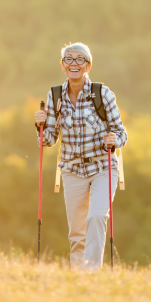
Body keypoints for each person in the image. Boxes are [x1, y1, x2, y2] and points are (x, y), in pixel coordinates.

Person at [34, 42, 128, 271]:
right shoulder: (55, 95)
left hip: (103, 167)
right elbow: (48, 140)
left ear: (88, 66)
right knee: (77, 232)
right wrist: (39, 125)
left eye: (80, 59)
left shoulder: (102, 94)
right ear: (62, 65)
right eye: (69, 59)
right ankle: (78, 277)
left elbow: (122, 133)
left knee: (96, 217)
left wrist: (114, 140)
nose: (74, 63)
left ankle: (92, 272)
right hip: (72, 170)